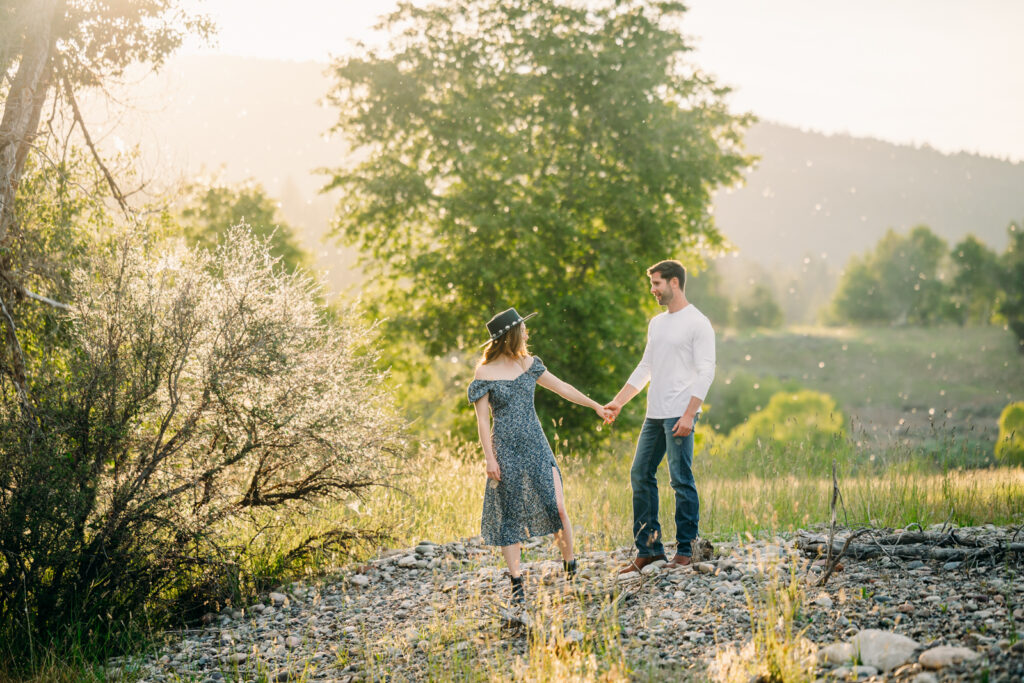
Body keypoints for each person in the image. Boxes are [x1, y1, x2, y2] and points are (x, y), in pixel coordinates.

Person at [468, 307, 611, 604]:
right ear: (511, 334)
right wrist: (489, 458)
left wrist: (596, 405)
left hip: (536, 443)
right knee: (510, 517)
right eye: (522, 328)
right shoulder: (484, 372)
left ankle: (571, 567)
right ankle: (517, 584)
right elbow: (482, 420)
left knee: (556, 505)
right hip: (504, 448)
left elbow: (562, 388)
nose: (526, 333)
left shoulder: (528, 363)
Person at [604, 260, 716, 573]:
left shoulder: (698, 323)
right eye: (652, 283)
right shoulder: (657, 323)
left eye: (657, 284)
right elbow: (646, 368)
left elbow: (707, 371)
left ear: (675, 283)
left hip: (680, 413)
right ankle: (650, 550)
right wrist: (619, 402)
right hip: (655, 415)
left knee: (681, 480)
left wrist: (689, 414)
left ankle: (686, 550)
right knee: (640, 474)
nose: (653, 290)